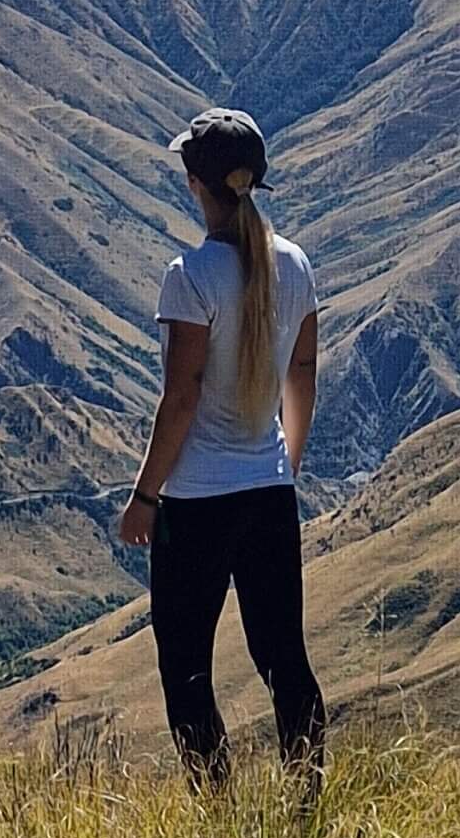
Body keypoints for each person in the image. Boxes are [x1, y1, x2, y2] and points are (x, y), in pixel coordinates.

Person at [115, 106, 325, 786]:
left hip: (198, 501)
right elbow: (302, 373)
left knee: (185, 664)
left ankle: (217, 810)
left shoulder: (191, 275)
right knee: (282, 658)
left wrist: (145, 497)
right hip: (268, 493)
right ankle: (307, 797)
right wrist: (283, 463)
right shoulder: (294, 264)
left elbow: (181, 398)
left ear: (196, 185)